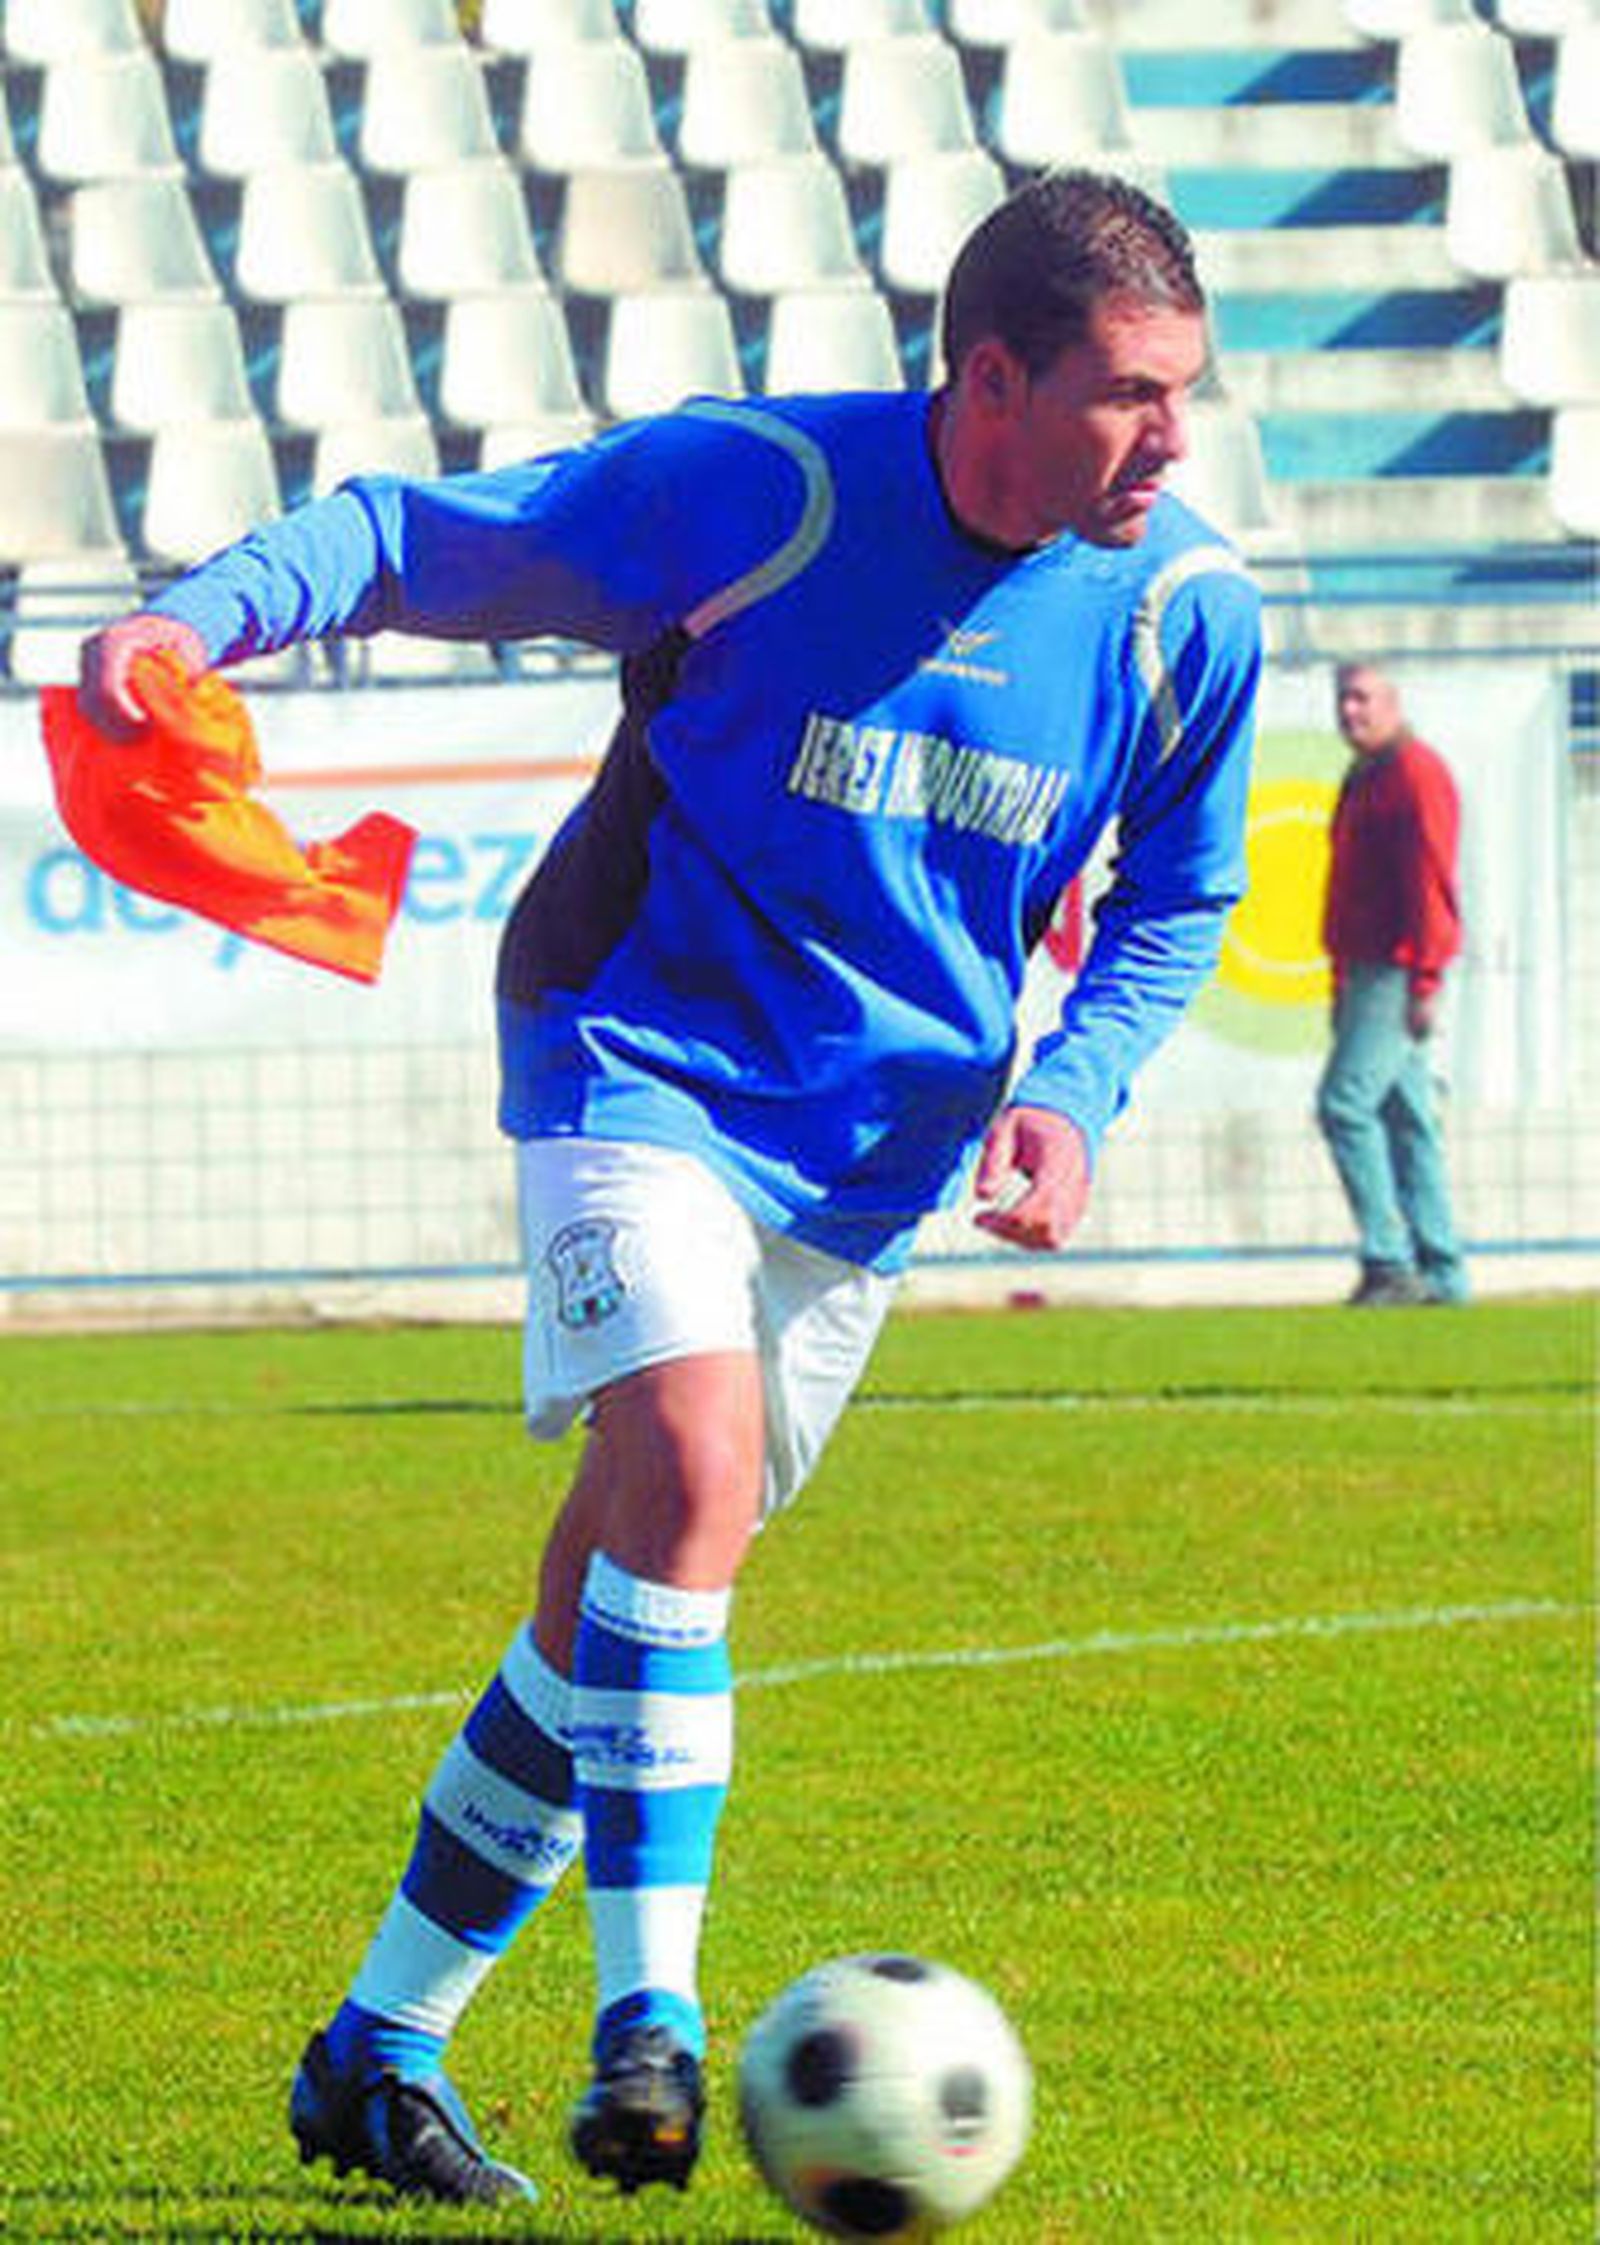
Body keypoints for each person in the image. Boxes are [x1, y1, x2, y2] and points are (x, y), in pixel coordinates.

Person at [77, 169, 1263, 2210]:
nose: (1172, 437)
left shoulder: (1181, 616)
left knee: (611, 1602)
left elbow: (1175, 899)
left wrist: (1070, 1092)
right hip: (634, 1051)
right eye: (1127, 395)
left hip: (872, 1160)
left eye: (1185, 393)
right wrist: (201, 613)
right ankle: (657, 2024)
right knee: (691, 1484)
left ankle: (375, 2047)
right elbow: (409, 536)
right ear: (987, 379)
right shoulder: (760, 495)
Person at [1317, 662, 1468, 1307]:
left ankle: (1387, 1259)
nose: (1351, 711)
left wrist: (1425, 976)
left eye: (1362, 698)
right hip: (1364, 967)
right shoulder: (1366, 773)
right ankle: (1443, 1272)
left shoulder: (1415, 773)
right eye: (1343, 699)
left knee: (1344, 1105)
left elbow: (1433, 877)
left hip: (1397, 966)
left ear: (1394, 702)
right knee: (1407, 1121)